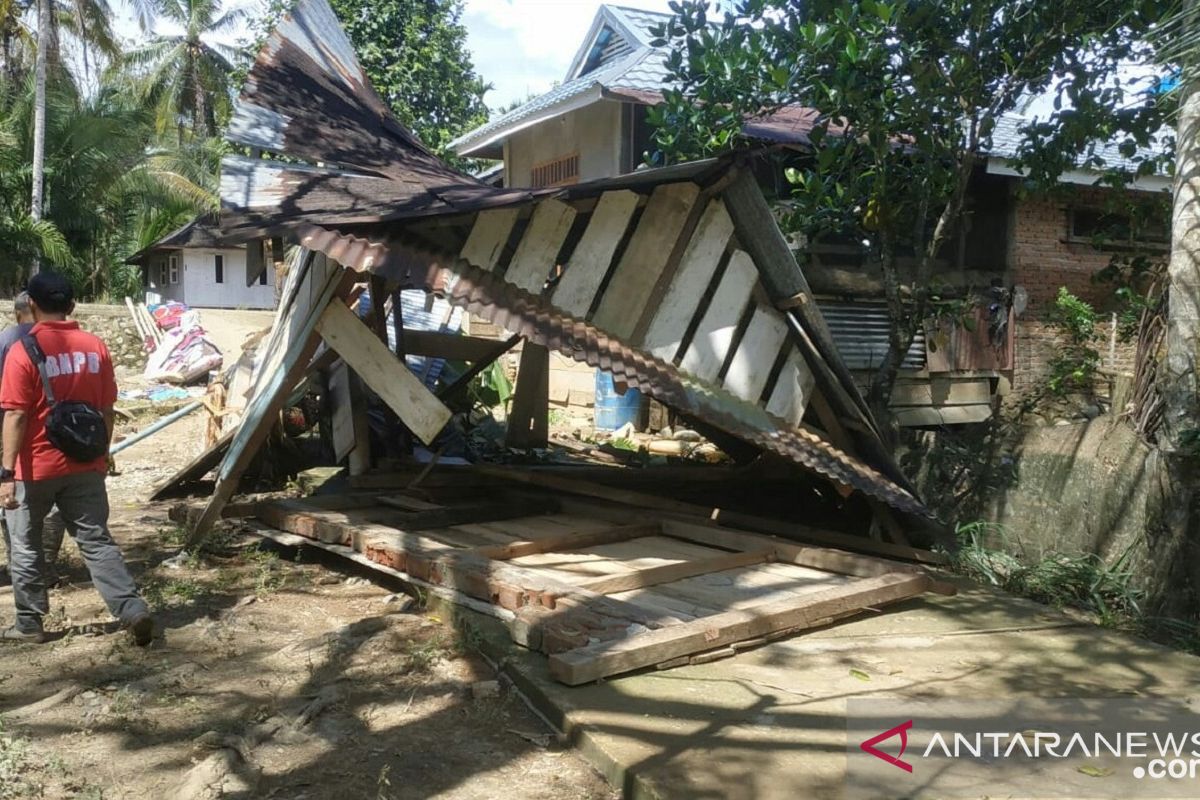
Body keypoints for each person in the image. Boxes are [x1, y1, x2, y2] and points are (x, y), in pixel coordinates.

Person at [0, 272, 154, 645]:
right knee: (96, 540)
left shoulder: (23, 350)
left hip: (34, 466)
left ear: (31, 306)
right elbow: (106, 409)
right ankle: (131, 609)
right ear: (72, 306)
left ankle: (30, 624)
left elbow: (16, 414)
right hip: (85, 463)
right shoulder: (95, 347)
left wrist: (6, 473)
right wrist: (102, 454)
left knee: (25, 544)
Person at [0, 292, 69, 586]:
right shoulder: (65, 340)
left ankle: (21, 566)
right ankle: (47, 565)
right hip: (57, 433)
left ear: (21, 312)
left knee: (10, 496)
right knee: (55, 501)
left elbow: (12, 407)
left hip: (10, 429)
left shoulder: (7, 340)